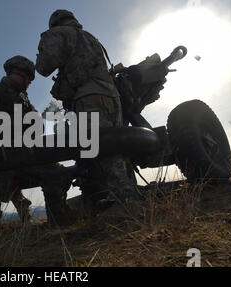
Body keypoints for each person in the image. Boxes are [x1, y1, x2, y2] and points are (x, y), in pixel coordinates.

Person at [35, 9, 138, 217]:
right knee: (117, 145)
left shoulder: (58, 34)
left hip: (88, 97)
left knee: (102, 147)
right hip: (112, 97)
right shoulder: (91, 37)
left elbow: (44, 67)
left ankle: (126, 205)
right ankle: (128, 196)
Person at [0, 55, 73, 230]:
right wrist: (16, 127)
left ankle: (59, 224)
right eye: (28, 79)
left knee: (55, 173)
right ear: (17, 72)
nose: (30, 83)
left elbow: (36, 127)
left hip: (22, 155)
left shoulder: (24, 100)